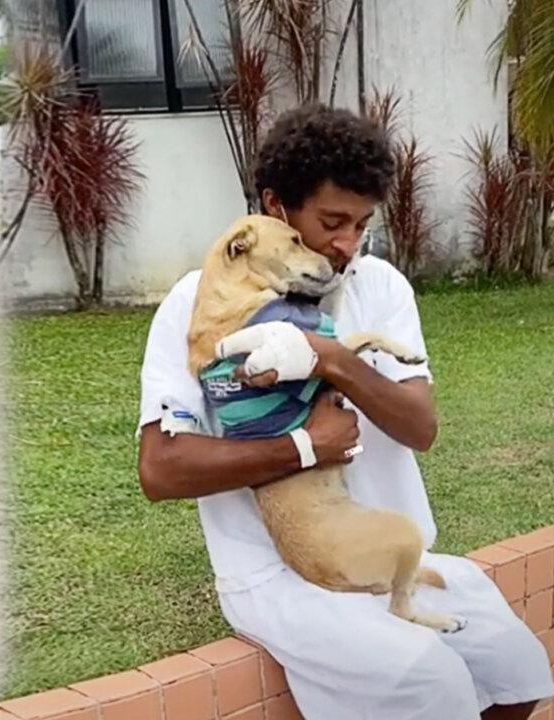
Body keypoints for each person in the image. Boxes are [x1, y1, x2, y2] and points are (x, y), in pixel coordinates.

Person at [136, 104, 553, 719]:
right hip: (279, 573)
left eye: (361, 224)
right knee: (431, 681)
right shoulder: (195, 306)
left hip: (386, 555)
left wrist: (331, 359)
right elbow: (161, 468)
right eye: (331, 222)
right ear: (276, 208)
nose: (346, 244)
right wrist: (305, 448)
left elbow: (420, 427)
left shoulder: (379, 287)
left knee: (516, 668)